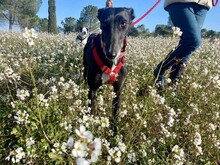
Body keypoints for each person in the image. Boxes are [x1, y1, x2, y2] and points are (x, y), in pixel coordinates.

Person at [154, 0, 212, 90]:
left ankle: (173, 87)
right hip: (180, 1)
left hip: (204, 3)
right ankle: (160, 70)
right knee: (192, 41)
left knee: (186, 45)